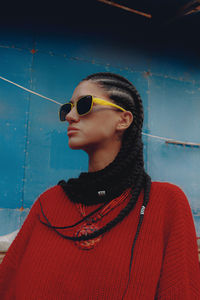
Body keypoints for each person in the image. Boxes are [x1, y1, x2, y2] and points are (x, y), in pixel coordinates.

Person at [0, 72, 200, 299]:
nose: (70, 116)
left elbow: (181, 291)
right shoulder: (48, 203)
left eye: (84, 105)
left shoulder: (165, 202)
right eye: (68, 108)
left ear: (123, 120)